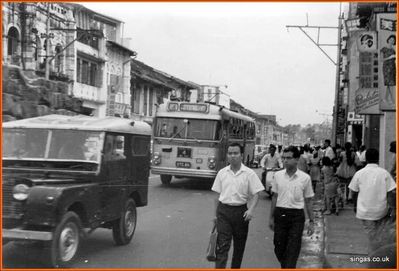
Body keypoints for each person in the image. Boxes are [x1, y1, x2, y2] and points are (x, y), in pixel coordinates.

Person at [211, 142, 264, 268]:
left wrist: (250, 210)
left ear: (241, 155)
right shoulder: (222, 173)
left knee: (239, 248)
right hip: (224, 212)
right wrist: (215, 215)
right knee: (222, 247)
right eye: (230, 153)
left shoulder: (249, 173)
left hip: (241, 213)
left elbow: (257, 194)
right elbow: (216, 195)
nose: (232, 156)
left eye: (235, 153)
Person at [269, 146, 315, 268]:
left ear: (297, 159)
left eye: (288, 158)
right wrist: (271, 217)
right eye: (284, 158)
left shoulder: (305, 178)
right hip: (280, 214)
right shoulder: (277, 176)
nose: (285, 161)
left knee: (293, 248)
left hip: (296, 217)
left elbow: (309, 200)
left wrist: (311, 221)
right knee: (278, 247)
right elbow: (274, 197)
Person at [348, 148, 396, 255]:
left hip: (365, 211)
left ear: (365, 159)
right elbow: (391, 192)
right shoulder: (384, 173)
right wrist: (392, 208)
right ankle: (377, 256)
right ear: (378, 158)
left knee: (371, 235)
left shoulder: (359, 173)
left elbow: (353, 192)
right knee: (378, 235)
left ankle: (374, 257)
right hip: (382, 211)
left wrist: (355, 206)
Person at [380, 35, 396, 106]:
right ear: (388, 39)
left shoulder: (394, 50)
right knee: (390, 84)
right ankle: (392, 101)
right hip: (386, 68)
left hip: (393, 68)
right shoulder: (383, 49)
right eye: (391, 39)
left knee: (390, 84)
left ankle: (385, 99)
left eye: (393, 40)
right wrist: (390, 57)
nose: (392, 41)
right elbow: (381, 60)